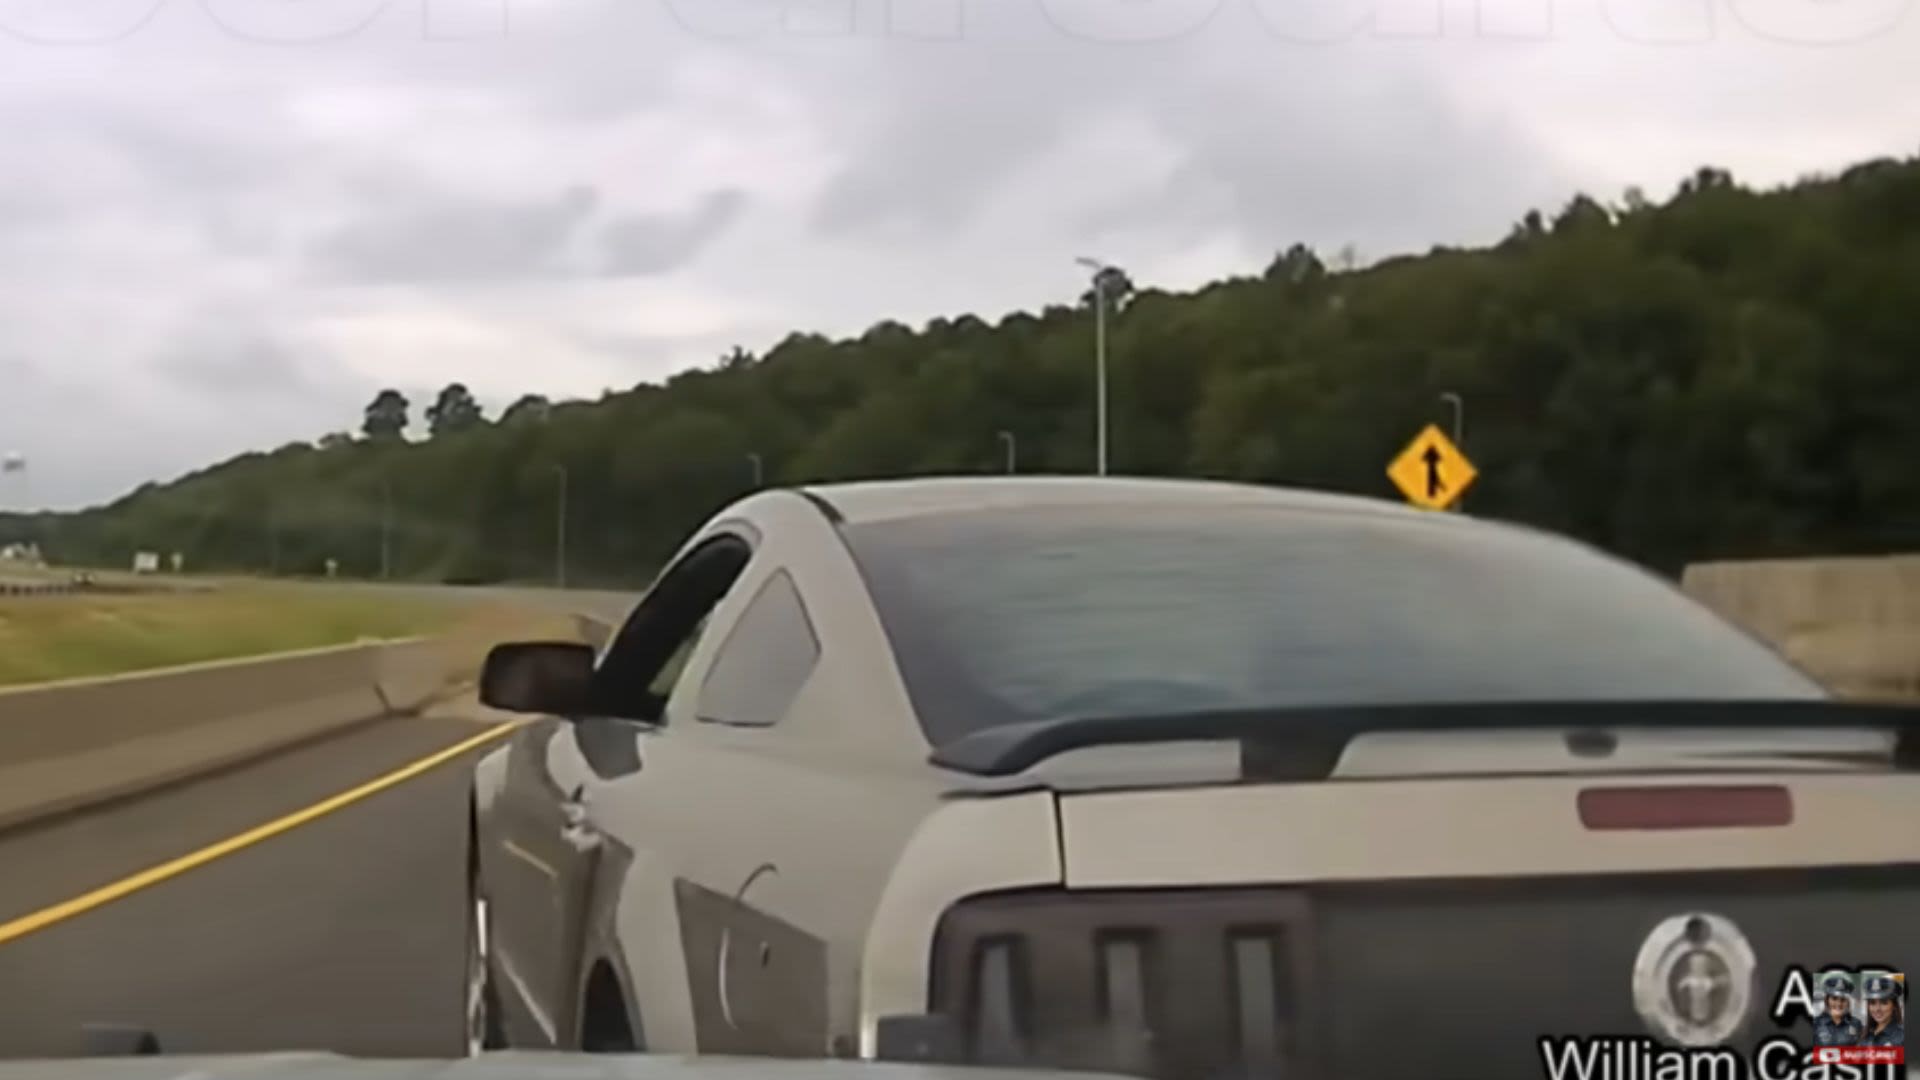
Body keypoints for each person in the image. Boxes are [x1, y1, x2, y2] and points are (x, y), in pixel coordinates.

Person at [1813, 972, 1865, 1047]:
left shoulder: (1857, 1024)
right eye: (1834, 998)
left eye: (1843, 999)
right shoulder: (1815, 1024)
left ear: (1848, 1002)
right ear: (1827, 1000)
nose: (1839, 1004)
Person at [1861, 975, 1905, 1048]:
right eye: (1872, 1003)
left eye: (1884, 1003)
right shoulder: (1864, 1033)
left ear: (1894, 1006)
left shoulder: (1902, 1036)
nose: (1877, 1009)